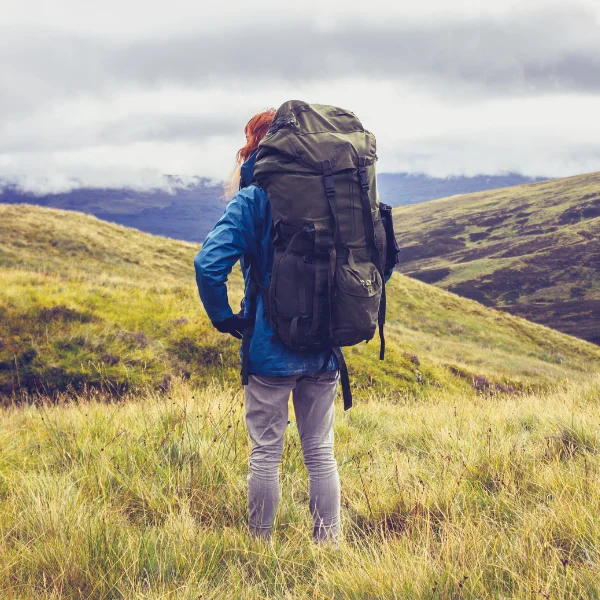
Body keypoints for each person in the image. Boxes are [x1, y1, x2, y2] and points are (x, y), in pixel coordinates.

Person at [194, 109, 341, 543]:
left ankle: (259, 549)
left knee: (265, 455)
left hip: (269, 348)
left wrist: (226, 319)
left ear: (256, 148)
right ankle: (328, 549)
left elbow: (208, 265)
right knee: (320, 452)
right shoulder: (334, 193)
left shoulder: (253, 198)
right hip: (324, 346)